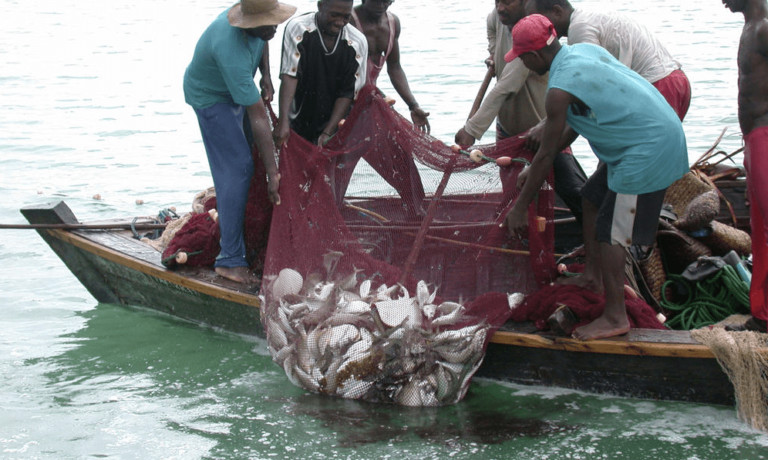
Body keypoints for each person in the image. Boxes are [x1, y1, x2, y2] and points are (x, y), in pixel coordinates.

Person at [503, 15, 689, 340]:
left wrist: (520, 207)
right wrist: (533, 169)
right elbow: (575, 125)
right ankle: (593, 278)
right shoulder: (580, 53)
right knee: (591, 197)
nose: (521, 62)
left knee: (610, 230)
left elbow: (547, 154)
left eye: (520, 57)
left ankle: (616, 316)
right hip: (646, 136)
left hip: (648, 146)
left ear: (532, 56)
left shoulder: (558, 89)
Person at [183, 0, 293, 284]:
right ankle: (230, 259)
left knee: (252, 156)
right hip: (211, 97)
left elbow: (263, 41)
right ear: (248, 24)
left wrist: (266, 75)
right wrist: (273, 173)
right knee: (238, 168)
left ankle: (240, 232)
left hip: (236, 87)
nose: (274, 28)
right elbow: (259, 118)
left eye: (275, 21)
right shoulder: (229, 48)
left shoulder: (259, 26)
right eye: (267, 24)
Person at [455, 0, 586, 223]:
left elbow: (507, 85)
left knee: (572, 189)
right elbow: (493, 39)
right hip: (508, 129)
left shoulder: (533, 32)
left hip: (542, 129)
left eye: (508, 2)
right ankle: (519, 238)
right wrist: (494, 54)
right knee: (513, 194)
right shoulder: (496, 17)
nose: (501, 8)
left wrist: (472, 129)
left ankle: (596, 233)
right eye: (498, 2)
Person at [524, 0, 691, 121]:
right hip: (675, 80)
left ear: (557, 11)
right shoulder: (586, 17)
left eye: (538, 20)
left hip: (659, 84)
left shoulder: (579, 29)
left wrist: (551, 121)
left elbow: (595, 86)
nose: (535, 27)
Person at [722, 0, 768, 332]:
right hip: (752, 137)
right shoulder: (749, 27)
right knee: (760, 231)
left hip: (766, 134)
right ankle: (762, 315)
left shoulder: (765, 28)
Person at [274, 0, 367, 147]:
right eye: (334, 15)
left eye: (346, 17)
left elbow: (347, 92)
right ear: (320, 6)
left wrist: (327, 132)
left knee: (330, 167)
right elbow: (290, 75)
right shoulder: (298, 28)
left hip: (335, 119)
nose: (340, 22)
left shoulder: (357, 42)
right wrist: (283, 121)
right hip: (299, 115)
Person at [350, 0, 430, 132]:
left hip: (368, 98)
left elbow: (394, 67)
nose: (381, 6)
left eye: (386, 2)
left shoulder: (392, 23)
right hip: (343, 99)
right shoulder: (348, 21)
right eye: (376, 2)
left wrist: (413, 105)